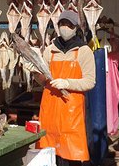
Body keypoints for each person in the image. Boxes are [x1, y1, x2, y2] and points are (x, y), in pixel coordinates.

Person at [36, 10, 96, 165]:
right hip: (49, 112)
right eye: (62, 23)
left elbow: (90, 82)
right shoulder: (50, 50)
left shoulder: (84, 51)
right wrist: (34, 72)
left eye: (69, 24)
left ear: (75, 27)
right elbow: (43, 82)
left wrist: (67, 83)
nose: (65, 27)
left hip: (71, 114)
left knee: (71, 157)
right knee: (49, 155)